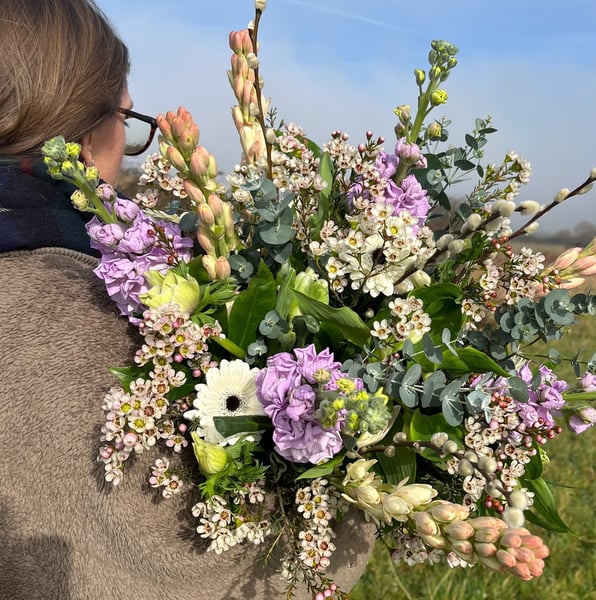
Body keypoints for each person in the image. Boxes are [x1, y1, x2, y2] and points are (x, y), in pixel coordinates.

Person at [0, 2, 374, 598]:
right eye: (127, 120)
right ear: (93, 128)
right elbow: (243, 575)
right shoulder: (113, 321)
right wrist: (361, 474)